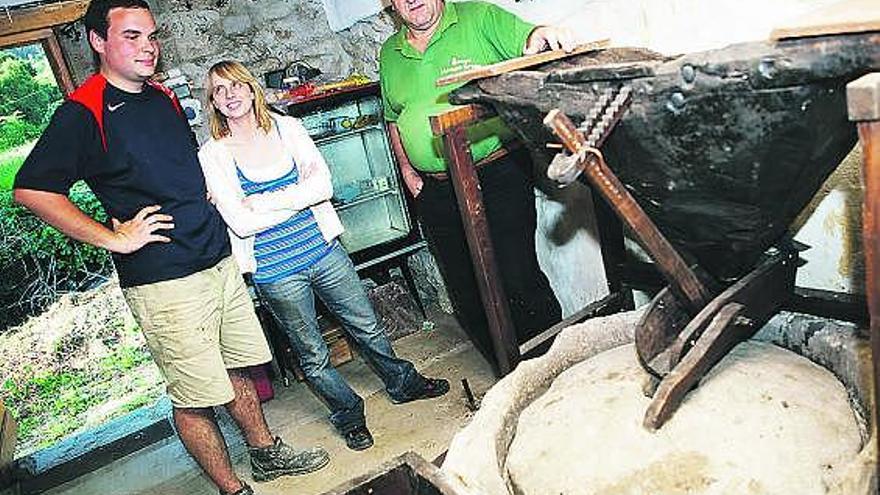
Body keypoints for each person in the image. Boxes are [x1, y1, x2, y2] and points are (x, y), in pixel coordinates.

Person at [12, 2, 328, 495]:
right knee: (194, 392)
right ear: (98, 41)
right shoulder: (84, 111)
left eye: (152, 36)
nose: (148, 47)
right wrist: (114, 236)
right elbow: (31, 189)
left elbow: (173, 165)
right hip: (163, 278)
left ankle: (266, 454)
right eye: (132, 36)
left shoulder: (161, 96)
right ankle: (233, 489)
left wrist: (200, 190)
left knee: (237, 364)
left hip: (215, 256)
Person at [198, 60, 451, 452]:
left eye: (236, 86)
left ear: (251, 90)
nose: (230, 95)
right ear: (213, 101)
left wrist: (263, 201)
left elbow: (322, 187)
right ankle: (349, 414)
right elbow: (240, 223)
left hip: (324, 251)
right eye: (219, 90)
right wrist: (294, 196)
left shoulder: (288, 128)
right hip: (275, 271)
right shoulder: (213, 154)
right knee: (312, 355)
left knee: (367, 326)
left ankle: (403, 383)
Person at [379, 0, 571, 365]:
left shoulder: (478, 16)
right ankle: (507, 372)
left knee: (517, 276)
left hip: (494, 173)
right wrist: (407, 169)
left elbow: (528, 40)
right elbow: (394, 117)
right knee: (466, 290)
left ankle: (554, 364)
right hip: (435, 187)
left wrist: (542, 35)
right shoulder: (390, 52)